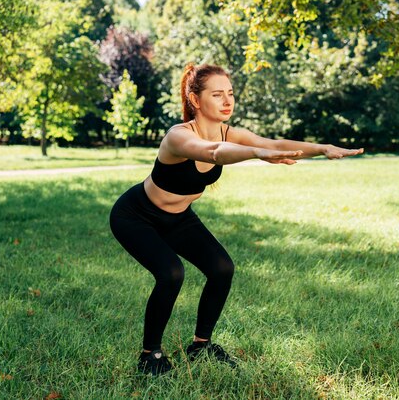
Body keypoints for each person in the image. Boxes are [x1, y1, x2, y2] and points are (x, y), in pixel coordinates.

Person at [109, 63, 363, 376]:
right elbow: (214, 152)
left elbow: (276, 144)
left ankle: (200, 345)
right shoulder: (178, 136)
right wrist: (255, 153)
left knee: (221, 268)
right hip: (137, 215)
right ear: (196, 100)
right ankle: (150, 355)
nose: (227, 100)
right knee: (171, 273)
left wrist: (323, 148)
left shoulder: (230, 131)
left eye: (230, 93)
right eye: (217, 94)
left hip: (179, 218)